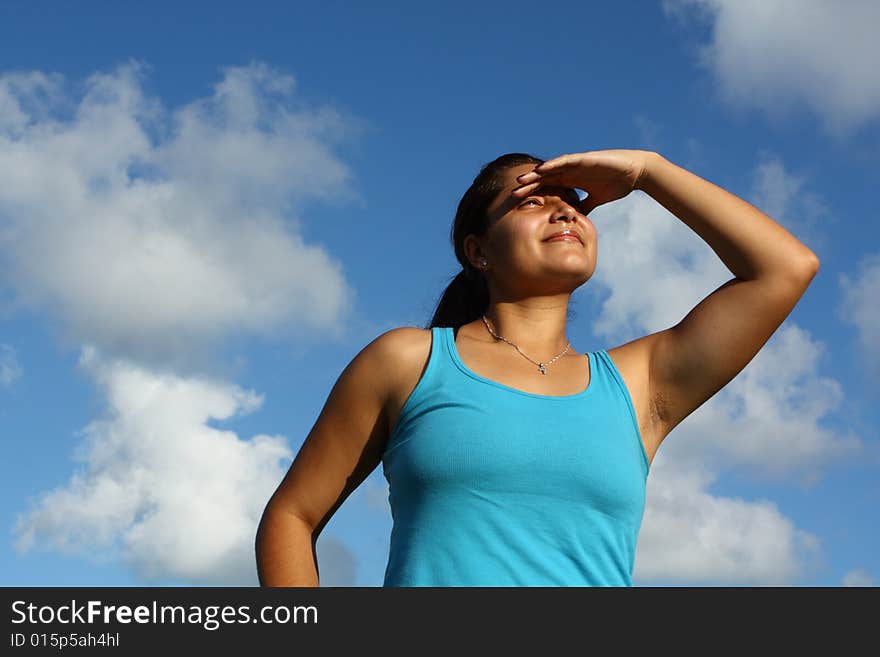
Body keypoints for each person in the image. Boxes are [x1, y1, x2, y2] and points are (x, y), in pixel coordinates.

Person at [255, 149, 820, 586]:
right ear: (479, 251)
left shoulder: (637, 385)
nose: (563, 209)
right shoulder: (408, 361)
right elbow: (292, 516)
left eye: (571, 200)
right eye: (530, 199)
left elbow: (784, 268)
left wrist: (648, 171)